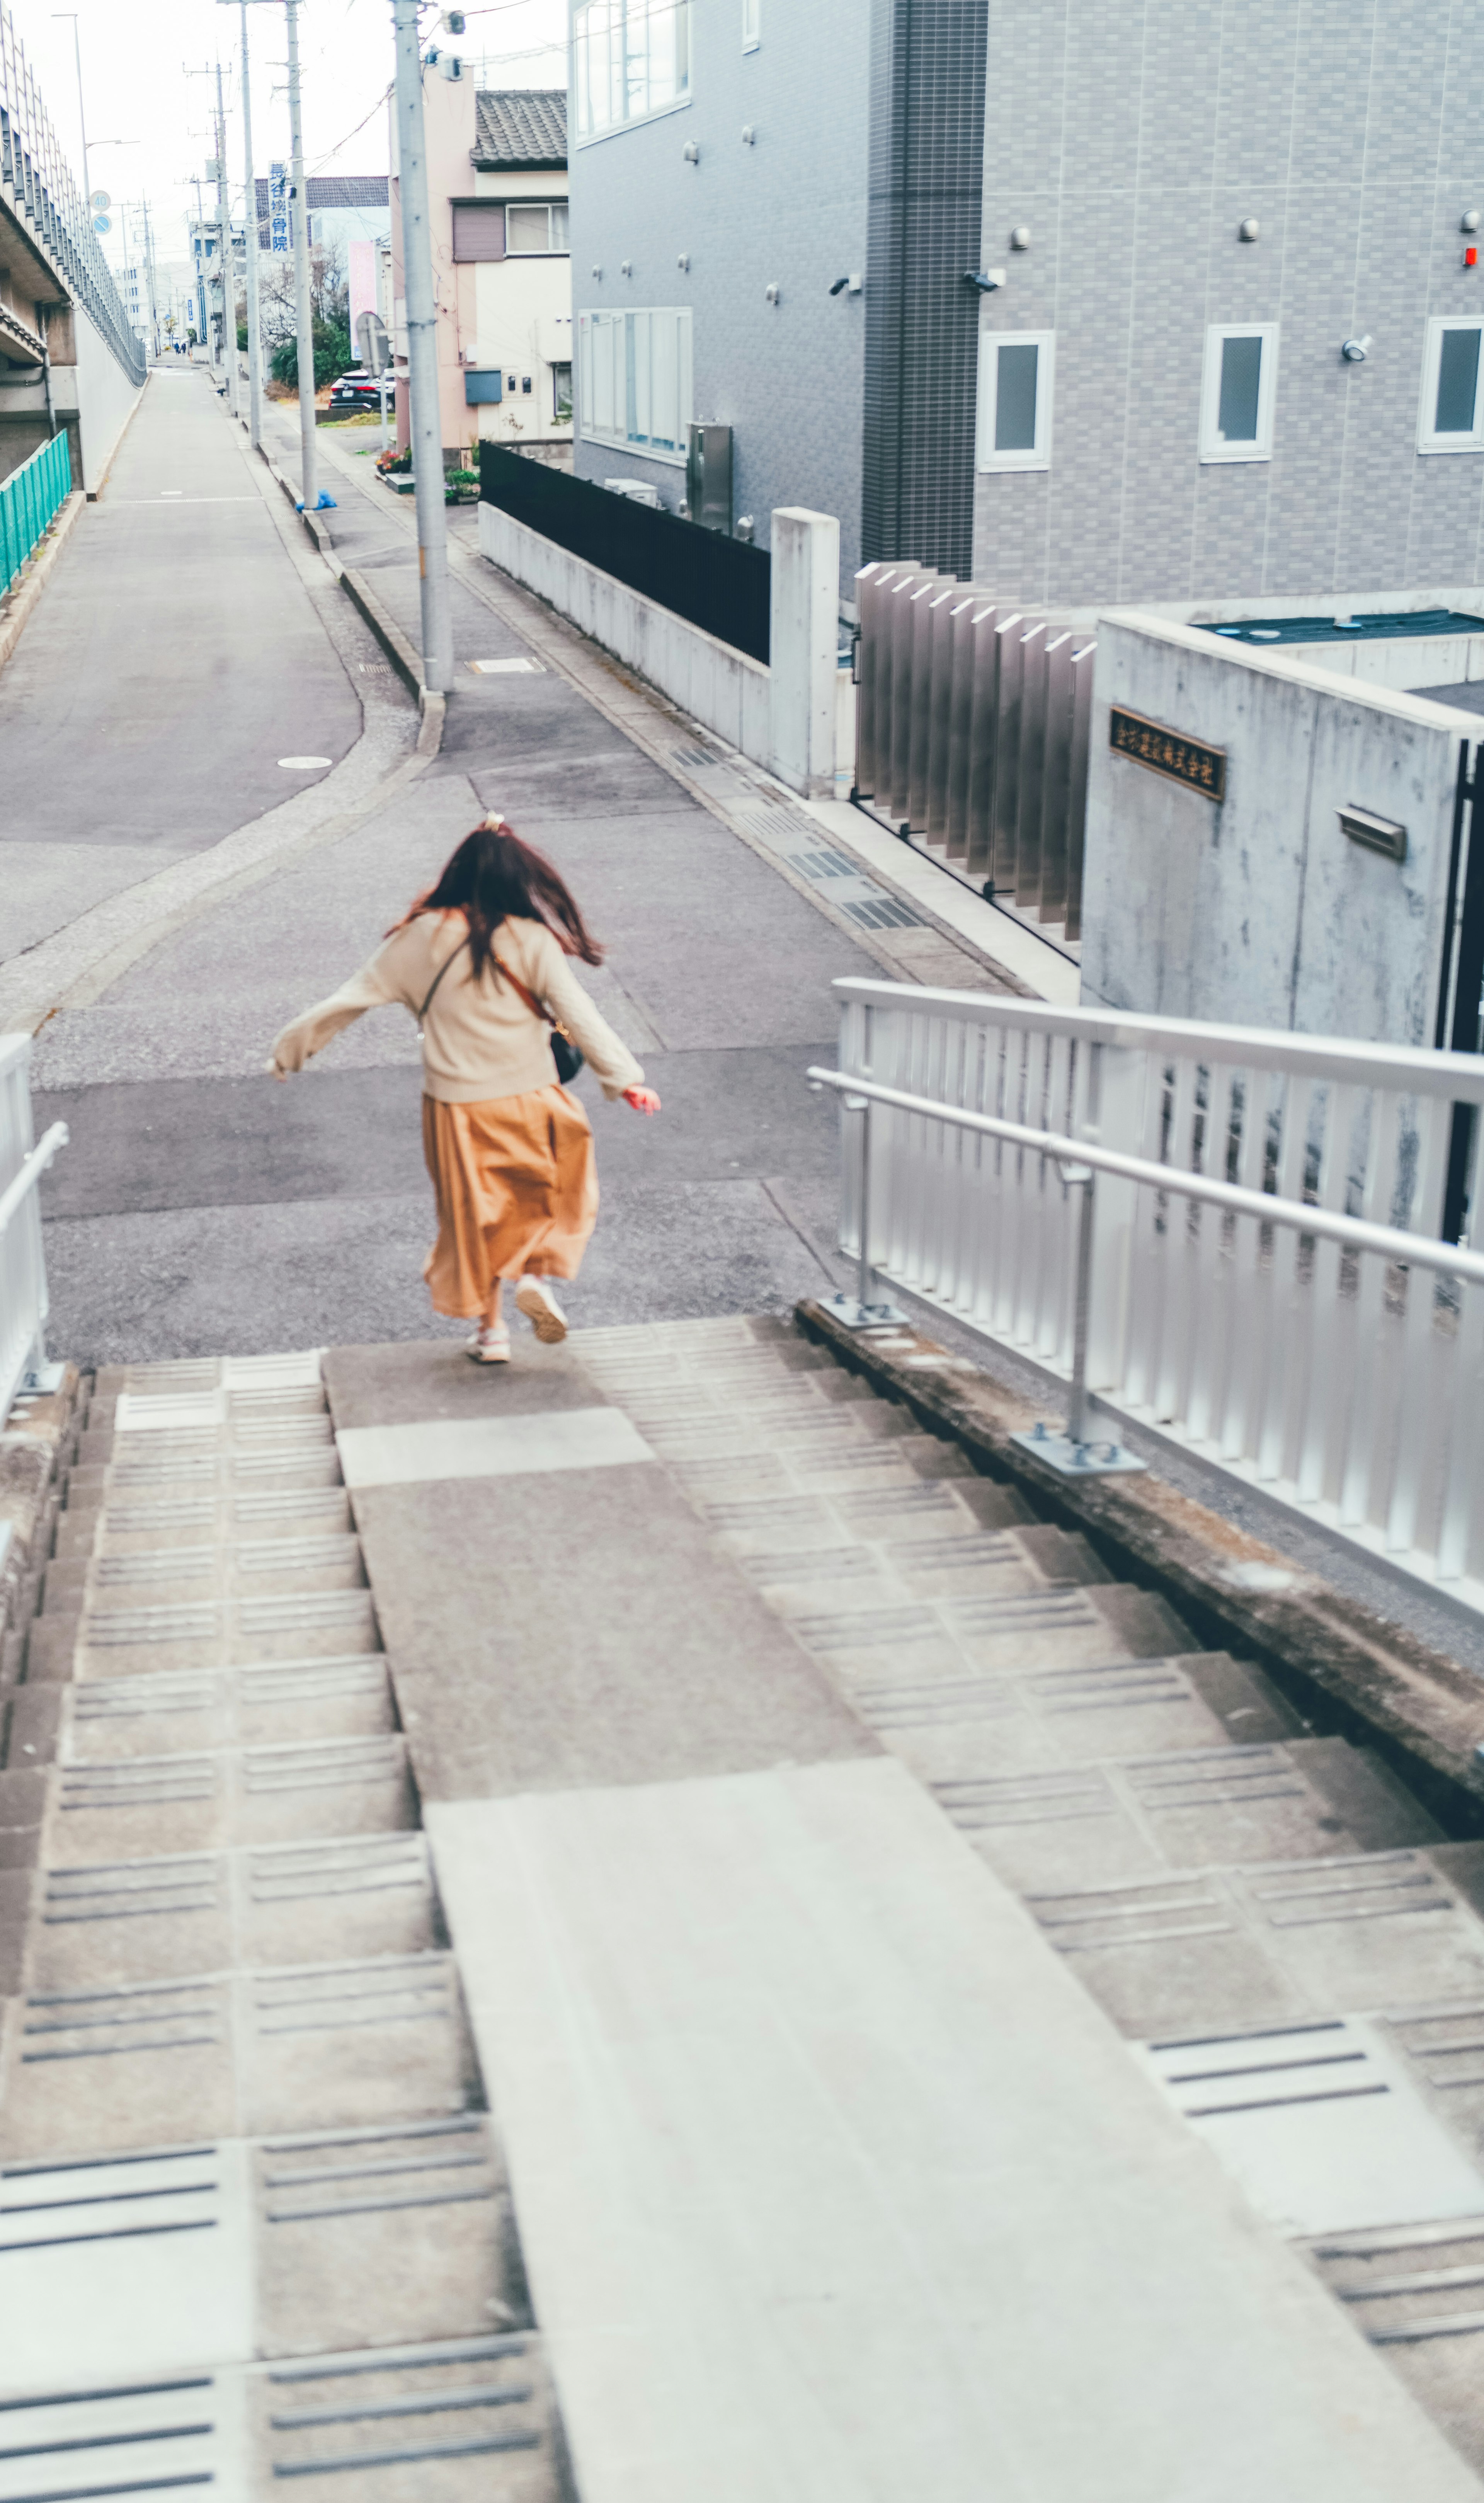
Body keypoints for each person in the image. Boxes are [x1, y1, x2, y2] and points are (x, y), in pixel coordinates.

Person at [268, 815, 660, 1362]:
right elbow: (579, 1013)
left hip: (455, 1109)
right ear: (519, 882)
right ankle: (534, 1277)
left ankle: (492, 1332)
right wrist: (626, 1079)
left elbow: (349, 999)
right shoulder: (531, 939)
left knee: (474, 1218)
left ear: (455, 873)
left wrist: (289, 1052)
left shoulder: (418, 938)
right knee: (552, 1196)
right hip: (533, 1098)